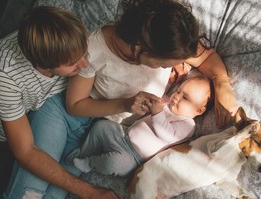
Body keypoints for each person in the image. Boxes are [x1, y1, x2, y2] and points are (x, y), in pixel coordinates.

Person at [0, 0, 238, 199]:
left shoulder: (161, 37)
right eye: (165, 63)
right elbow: (74, 106)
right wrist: (125, 103)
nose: (174, 67)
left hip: (95, 132)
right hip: (63, 116)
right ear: (140, 49)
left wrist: (222, 85)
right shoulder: (93, 49)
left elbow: (205, 58)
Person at [69, 70, 213, 177]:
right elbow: (157, 98)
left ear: (199, 110)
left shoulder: (188, 125)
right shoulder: (168, 102)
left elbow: (166, 134)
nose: (177, 97)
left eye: (185, 98)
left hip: (133, 157)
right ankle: (83, 152)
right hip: (122, 134)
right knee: (101, 126)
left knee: (114, 164)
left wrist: (157, 112)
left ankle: (90, 162)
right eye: (179, 91)